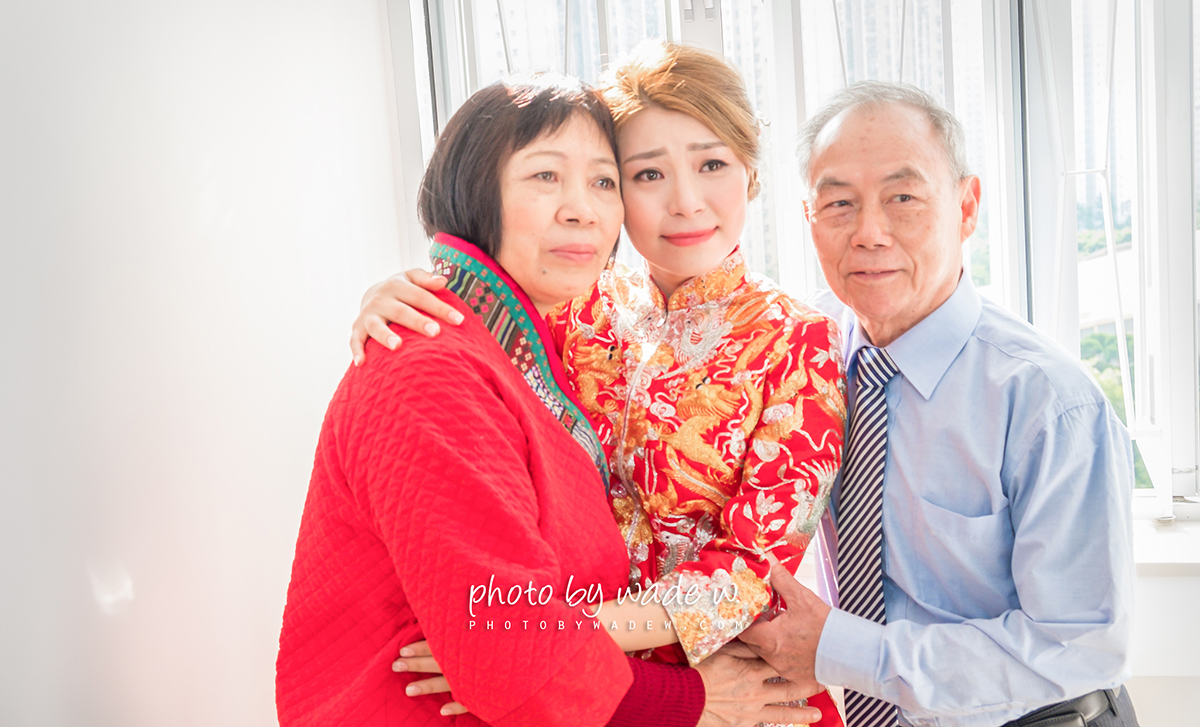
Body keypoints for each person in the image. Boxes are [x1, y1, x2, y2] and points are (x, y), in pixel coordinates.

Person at [276, 73, 816, 727]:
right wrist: (403, 288)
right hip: (591, 696)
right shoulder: (575, 314)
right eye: (646, 174)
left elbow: (755, 568)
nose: (685, 200)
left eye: (601, 182)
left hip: (723, 680)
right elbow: (499, 631)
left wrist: (543, 635)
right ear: (474, 188)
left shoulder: (797, 338)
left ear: (752, 173)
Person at [734, 81, 1140, 727]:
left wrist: (843, 651)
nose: (869, 233)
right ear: (809, 218)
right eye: (839, 203)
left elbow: (1078, 648)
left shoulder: (1049, 403)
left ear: (966, 207)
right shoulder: (799, 352)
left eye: (903, 198)